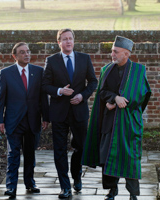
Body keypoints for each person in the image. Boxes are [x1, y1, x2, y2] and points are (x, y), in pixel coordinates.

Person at [82, 36, 151, 200]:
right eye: (112, 51)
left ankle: (133, 194)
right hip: (109, 122)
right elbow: (102, 92)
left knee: (130, 158)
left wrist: (124, 102)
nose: (112, 54)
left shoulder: (138, 71)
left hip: (128, 123)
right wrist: (113, 99)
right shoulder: (107, 69)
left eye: (115, 51)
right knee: (107, 156)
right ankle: (111, 191)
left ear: (126, 54)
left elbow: (143, 94)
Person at [42, 28, 98, 199]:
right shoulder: (51, 61)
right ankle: (65, 187)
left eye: (70, 38)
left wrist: (82, 95)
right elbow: (45, 85)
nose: (68, 41)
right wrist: (59, 90)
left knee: (80, 147)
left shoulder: (84, 58)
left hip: (79, 112)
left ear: (74, 40)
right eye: (64, 39)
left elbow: (93, 82)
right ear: (59, 42)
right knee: (59, 150)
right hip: (59, 113)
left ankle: (77, 176)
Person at [0, 42, 49, 199]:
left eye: (28, 51)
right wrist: (0, 120)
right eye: (22, 52)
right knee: (13, 154)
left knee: (30, 155)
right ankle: (11, 186)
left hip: (33, 121)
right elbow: (0, 99)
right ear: (15, 56)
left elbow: (43, 98)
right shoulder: (5, 73)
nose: (26, 54)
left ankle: (30, 183)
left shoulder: (39, 72)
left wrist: (46, 117)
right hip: (13, 121)